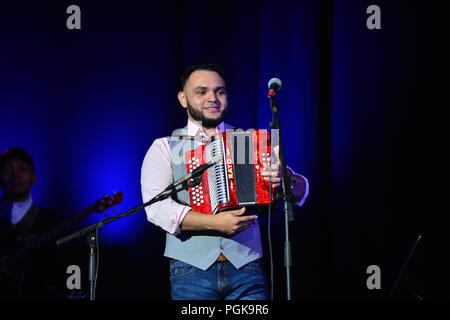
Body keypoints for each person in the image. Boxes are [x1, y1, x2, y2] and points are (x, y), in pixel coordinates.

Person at [141, 63, 309, 300]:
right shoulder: (165, 146)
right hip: (190, 270)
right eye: (202, 92)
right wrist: (214, 223)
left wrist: (285, 179)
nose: (213, 98)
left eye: (220, 91)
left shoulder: (246, 141)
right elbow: (156, 208)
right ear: (183, 98)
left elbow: (301, 192)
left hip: (247, 268)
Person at [0, 147, 60, 299]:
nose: (16, 175)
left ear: (34, 178)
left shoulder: (49, 220)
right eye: (8, 169)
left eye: (23, 169)